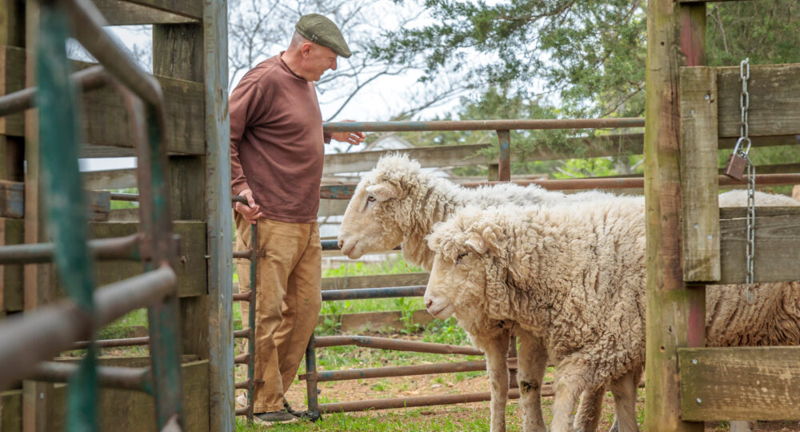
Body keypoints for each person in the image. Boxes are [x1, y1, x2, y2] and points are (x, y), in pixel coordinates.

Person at [230, 13, 365, 423]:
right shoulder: (262, 79)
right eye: (329, 57)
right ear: (306, 49)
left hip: (304, 219)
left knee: (306, 309)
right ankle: (261, 402)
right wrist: (237, 189)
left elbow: (282, 127)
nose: (333, 66)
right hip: (268, 217)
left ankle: (271, 394)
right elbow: (223, 134)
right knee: (264, 311)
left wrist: (326, 132)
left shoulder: (304, 83)